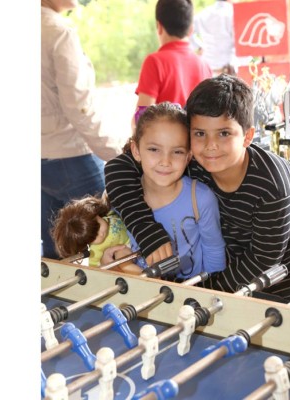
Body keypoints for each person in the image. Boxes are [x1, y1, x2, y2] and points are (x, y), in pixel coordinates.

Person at [105, 75, 290, 315]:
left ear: (247, 136)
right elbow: (117, 169)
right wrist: (145, 229)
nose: (210, 145)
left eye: (224, 133)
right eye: (200, 133)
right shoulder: (188, 158)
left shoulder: (272, 187)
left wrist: (192, 295)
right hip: (247, 279)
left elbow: (259, 261)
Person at [41, 0, 124, 259]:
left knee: (57, 251)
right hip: (72, 157)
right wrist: (121, 153)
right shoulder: (57, 31)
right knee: (110, 239)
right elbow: (80, 109)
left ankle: (56, 300)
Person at [108, 102, 226, 279]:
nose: (165, 161)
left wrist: (211, 294)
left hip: (191, 297)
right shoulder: (123, 199)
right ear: (136, 150)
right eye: (154, 149)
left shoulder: (200, 198)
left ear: (188, 156)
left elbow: (214, 251)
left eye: (177, 152)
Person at [131, 0, 212, 131]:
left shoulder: (154, 62)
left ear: (159, 26)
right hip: (194, 146)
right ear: (191, 29)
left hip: (164, 147)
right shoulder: (204, 65)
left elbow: (142, 117)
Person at [50, 195, 142, 274]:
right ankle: (150, 277)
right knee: (124, 263)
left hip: (136, 236)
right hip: (125, 248)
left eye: (98, 225)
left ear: (96, 214)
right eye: (93, 237)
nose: (100, 233)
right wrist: (103, 264)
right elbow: (95, 269)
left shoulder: (108, 215)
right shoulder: (95, 251)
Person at [190, 0, 238, 76]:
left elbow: (189, 31)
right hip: (231, 70)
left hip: (207, 69)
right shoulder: (234, 14)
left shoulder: (204, 14)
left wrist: (199, 47)